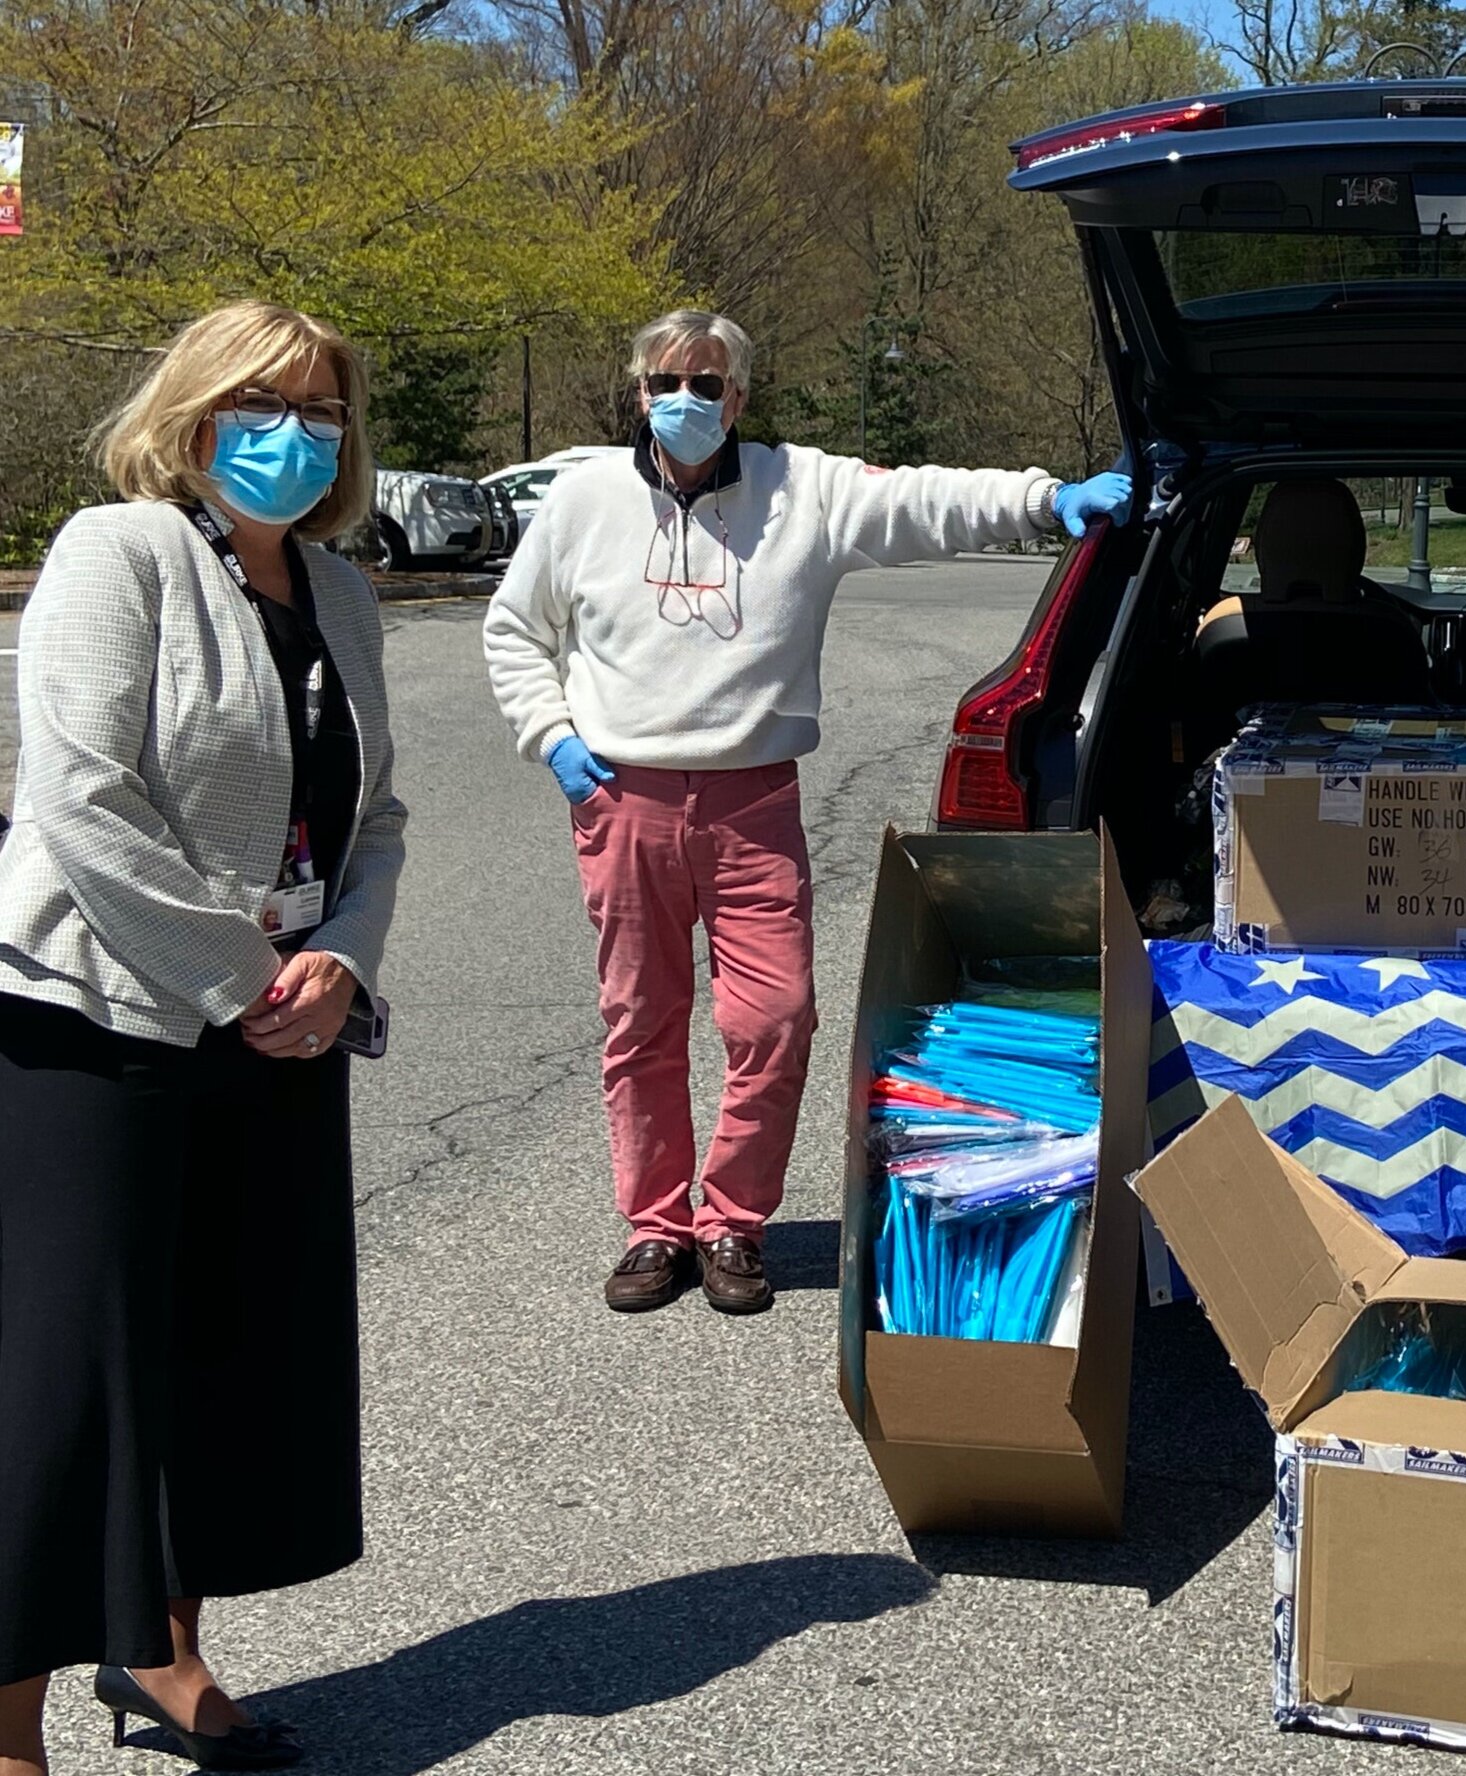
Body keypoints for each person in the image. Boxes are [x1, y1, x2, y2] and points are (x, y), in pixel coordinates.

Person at [483, 309, 1130, 1316]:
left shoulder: (803, 490)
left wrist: (1050, 497)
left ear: (739, 397)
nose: (684, 401)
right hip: (625, 799)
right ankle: (656, 1226)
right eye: (664, 382)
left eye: (706, 384)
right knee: (640, 1021)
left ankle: (733, 1219)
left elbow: (926, 502)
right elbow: (515, 632)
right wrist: (554, 740)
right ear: (637, 392)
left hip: (753, 803)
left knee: (774, 1016)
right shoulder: (583, 500)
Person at [0, 300, 407, 1771]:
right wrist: (243, 972)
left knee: (223, 1350)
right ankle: (7, 1719)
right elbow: (80, 795)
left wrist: (343, 964)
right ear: (191, 411)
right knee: (72, 1374)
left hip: (283, 1021)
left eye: (319, 410)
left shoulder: (343, 593)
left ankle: (161, 1655)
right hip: (100, 1013)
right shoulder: (117, 556)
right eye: (260, 404)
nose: (292, 435)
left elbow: (378, 816)